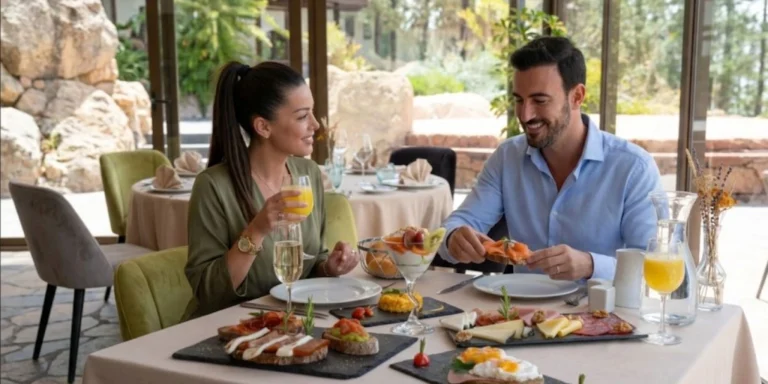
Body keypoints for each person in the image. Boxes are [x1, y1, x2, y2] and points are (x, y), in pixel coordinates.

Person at [437, 37, 663, 281]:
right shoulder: (507, 157)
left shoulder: (633, 168)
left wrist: (591, 265)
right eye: (519, 100)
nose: (525, 115)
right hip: (518, 304)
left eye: (540, 101)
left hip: (598, 304)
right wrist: (453, 237)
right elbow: (460, 223)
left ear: (577, 96)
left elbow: (653, 263)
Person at [183, 61, 359, 319]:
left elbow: (311, 263)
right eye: (302, 116)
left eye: (311, 113)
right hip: (229, 326)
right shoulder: (213, 186)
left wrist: (329, 268)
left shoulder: (308, 174)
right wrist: (257, 230)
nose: (315, 125)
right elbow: (208, 292)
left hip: (291, 322)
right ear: (263, 127)